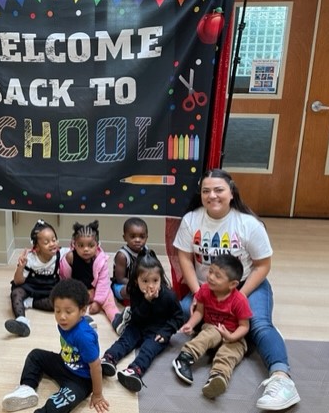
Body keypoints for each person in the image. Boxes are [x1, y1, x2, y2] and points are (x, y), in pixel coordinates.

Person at [173, 168, 301, 410]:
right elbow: (185, 258)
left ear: (231, 193)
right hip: (207, 287)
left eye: (219, 190)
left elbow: (263, 265)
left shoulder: (248, 224)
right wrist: (197, 293)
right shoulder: (191, 220)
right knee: (180, 312)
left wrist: (238, 299)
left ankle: (282, 379)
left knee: (259, 326)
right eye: (206, 191)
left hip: (245, 286)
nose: (212, 196)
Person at [1, 278, 109, 413]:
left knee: (54, 406)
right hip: (64, 364)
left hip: (81, 379)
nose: (62, 317)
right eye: (57, 311)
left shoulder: (84, 337)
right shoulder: (65, 323)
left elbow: (96, 367)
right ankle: (27, 388)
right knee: (35, 355)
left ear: (82, 311)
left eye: (68, 312)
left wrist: (97, 395)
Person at [100, 250, 183, 393]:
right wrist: (146, 301)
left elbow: (178, 317)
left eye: (155, 281)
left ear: (161, 278)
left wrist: (166, 331)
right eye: (145, 281)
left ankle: (134, 371)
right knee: (125, 341)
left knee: (148, 350)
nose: (150, 286)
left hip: (157, 331)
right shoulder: (135, 292)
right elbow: (137, 315)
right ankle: (109, 359)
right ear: (136, 280)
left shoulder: (169, 296)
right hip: (137, 324)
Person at [172, 254, 252, 399]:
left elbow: (244, 327)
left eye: (218, 276)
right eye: (210, 271)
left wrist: (231, 336)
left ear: (233, 284)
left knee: (230, 353)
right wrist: (190, 324)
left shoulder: (239, 300)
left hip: (233, 336)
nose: (211, 277)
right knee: (211, 333)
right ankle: (184, 358)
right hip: (212, 328)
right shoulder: (205, 290)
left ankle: (218, 377)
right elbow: (199, 312)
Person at [4, 219, 61, 337]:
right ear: (37, 247)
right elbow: (18, 281)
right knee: (16, 293)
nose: (52, 244)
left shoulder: (60, 256)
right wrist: (21, 266)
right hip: (31, 286)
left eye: (54, 240)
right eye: (46, 242)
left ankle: (30, 302)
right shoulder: (31, 259)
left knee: (58, 303)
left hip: (49, 288)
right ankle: (21, 321)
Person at [59, 220, 118, 328]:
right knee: (66, 302)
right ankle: (78, 322)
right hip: (78, 290)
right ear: (74, 245)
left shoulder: (100, 259)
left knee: (108, 297)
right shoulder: (70, 257)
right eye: (81, 245)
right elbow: (65, 278)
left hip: (95, 290)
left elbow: (103, 282)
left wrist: (98, 302)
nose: (86, 249)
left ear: (97, 245)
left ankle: (117, 319)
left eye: (91, 246)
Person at [110, 217, 149, 334]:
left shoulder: (147, 251)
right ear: (125, 237)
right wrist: (138, 284)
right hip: (122, 285)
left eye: (141, 237)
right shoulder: (122, 256)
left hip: (141, 283)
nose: (137, 240)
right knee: (129, 290)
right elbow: (120, 278)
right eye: (132, 237)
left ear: (147, 237)